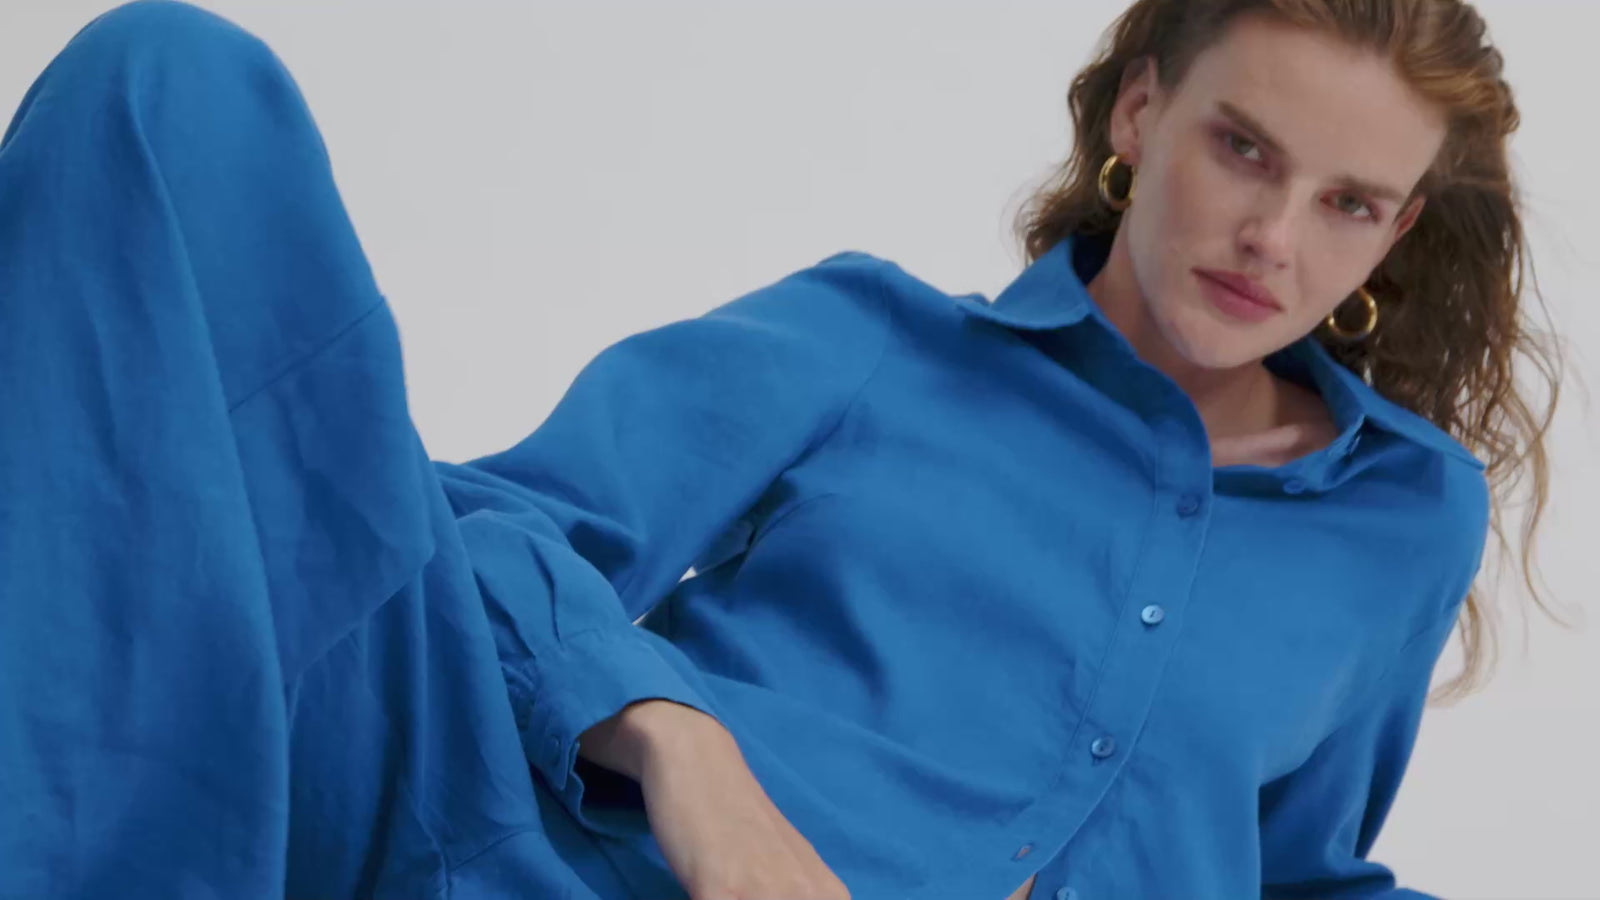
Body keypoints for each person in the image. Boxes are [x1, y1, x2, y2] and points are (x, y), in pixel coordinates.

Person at [0, 0, 1563, 898]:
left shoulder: (1403, 516)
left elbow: (1294, 872)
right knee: (169, 85)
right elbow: (486, 531)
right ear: (1142, 115)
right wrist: (689, 754)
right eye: (1242, 147)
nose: (1274, 235)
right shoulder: (872, 338)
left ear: (1398, 228)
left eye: (1347, 202)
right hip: (529, 843)